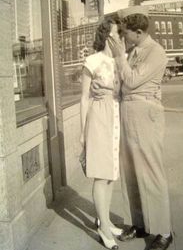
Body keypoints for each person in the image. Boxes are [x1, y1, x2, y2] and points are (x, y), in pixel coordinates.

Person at [104, 7, 173, 250]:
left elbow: (132, 81)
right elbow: (122, 82)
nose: (123, 37)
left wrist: (120, 58)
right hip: (127, 111)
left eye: (126, 33)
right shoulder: (131, 51)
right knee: (130, 172)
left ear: (140, 32)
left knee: (151, 171)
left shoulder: (156, 52)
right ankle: (140, 223)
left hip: (145, 113)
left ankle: (164, 231)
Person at [80, 18, 123, 250]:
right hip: (98, 117)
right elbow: (84, 97)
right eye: (117, 33)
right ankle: (104, 229)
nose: (121, 37)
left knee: (111, 172)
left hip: (116, 116)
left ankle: (104, 219)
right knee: (100, 173)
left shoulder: (119, 61)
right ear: (108, 36)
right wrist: (82, 133)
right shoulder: (93, 60)